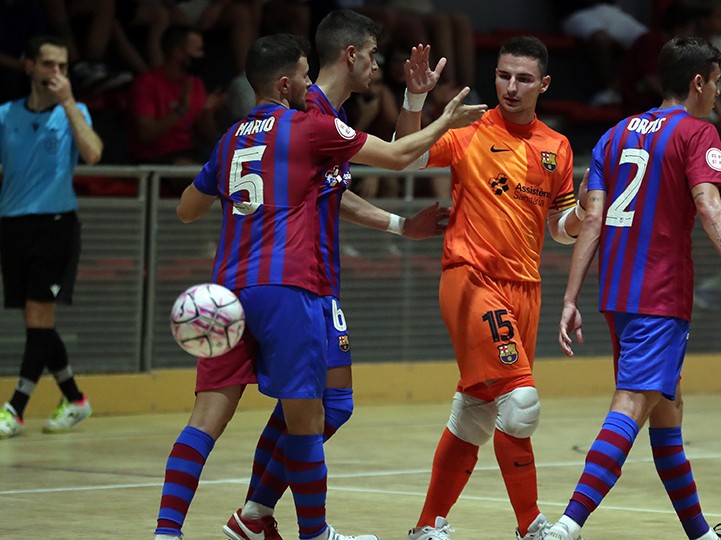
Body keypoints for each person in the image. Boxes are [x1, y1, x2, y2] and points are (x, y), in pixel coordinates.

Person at [154, 22, 484, 540]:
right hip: (291, 286)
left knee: (205, 420)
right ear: (285, 84)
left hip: (226, 293)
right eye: (303, 77)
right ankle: (310, 532)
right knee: (308, 420)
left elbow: (186, 211)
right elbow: (399, 157)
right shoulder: (311, 126)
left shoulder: (231, 137)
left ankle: (167, 532)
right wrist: (442, 118)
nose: (309, 86)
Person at [544, 35, 721, 540]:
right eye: (716, 81)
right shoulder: (698, 133)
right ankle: (567, 525)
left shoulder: (615, 133)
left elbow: (591, 219)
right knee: (631, 403)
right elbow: (710, 206)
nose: (718, 92)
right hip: (661, 296)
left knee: (667, 410)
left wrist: (570, 298)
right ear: (697, 82)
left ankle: (700, 533)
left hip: (618, 296)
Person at [402, 36, 586, 540]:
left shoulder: (557, 147)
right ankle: (532, 526)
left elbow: (558, 225)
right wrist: (415, 102)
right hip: (470, 278)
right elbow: (408, 158)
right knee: (521, 403)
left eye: (523, 78)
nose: (510, 85)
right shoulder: (468, 131)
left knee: (478, 413)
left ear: (543, 84)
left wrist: (582, 218)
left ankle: (426, 526)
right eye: (504, 74)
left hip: (526, 288)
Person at [0, 35, 102, 439]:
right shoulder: (6, 114)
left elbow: (93, 153)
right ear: (30, 67)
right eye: (48, 65)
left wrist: (68, 104)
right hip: (12, 225)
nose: (55, 73)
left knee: (40, 316)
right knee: (35, 321)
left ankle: (15, 408)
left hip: (55, 225)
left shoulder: (74, 112)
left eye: (62, 66)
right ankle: (75, 399)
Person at [128, 25, 223, 167]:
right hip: (156, 157)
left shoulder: (194, 82)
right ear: (177, 52)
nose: (202, 55)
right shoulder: (146, 84)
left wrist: (207, 112)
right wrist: (181, 110)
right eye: (198, 50)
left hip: (191, 152)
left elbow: (209, 135)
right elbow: (146, 133)